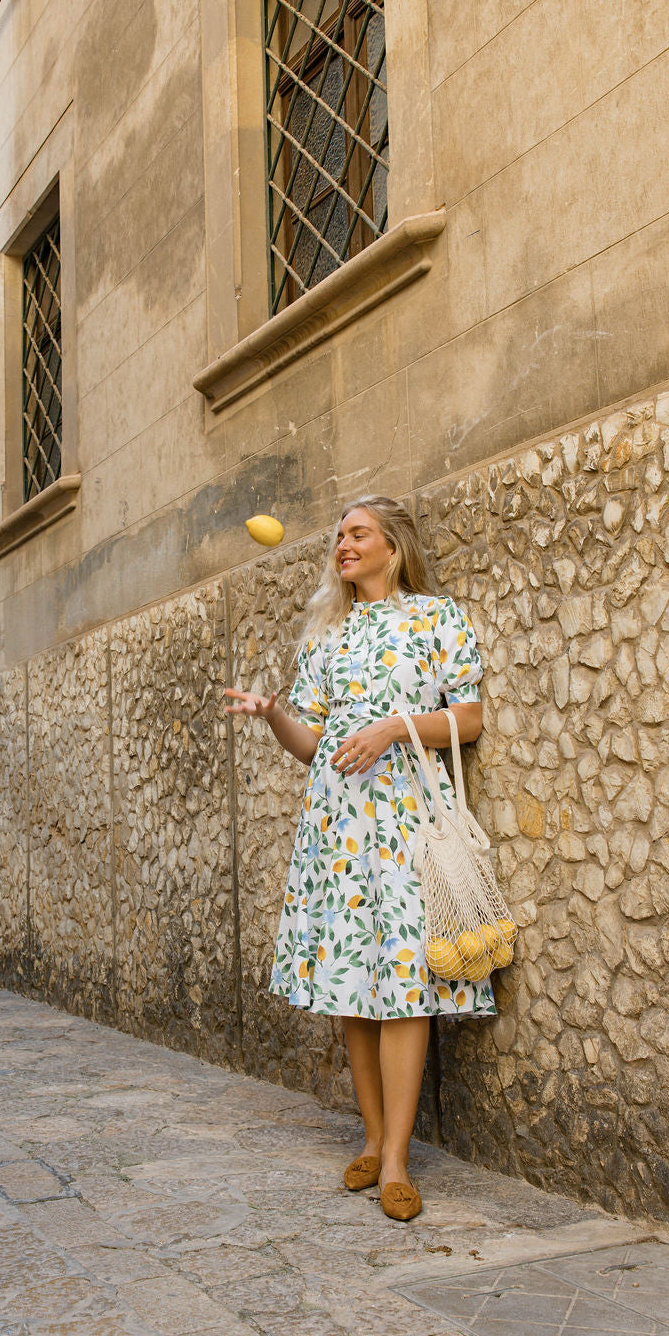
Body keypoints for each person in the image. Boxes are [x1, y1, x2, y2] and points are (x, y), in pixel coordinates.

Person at [224, 495, 494, 1222]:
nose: (343, 545)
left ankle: (399, 1157)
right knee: (353, 979)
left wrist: (392, 729)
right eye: (339, 536)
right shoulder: (326, 637)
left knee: (406, 979)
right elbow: (312, 742)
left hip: (408, 820)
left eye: (357, 534)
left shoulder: (436, 618)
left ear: (392, 547)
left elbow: (467, 718)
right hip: (337, 826)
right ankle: (371, 1138)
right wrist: (273, 713)